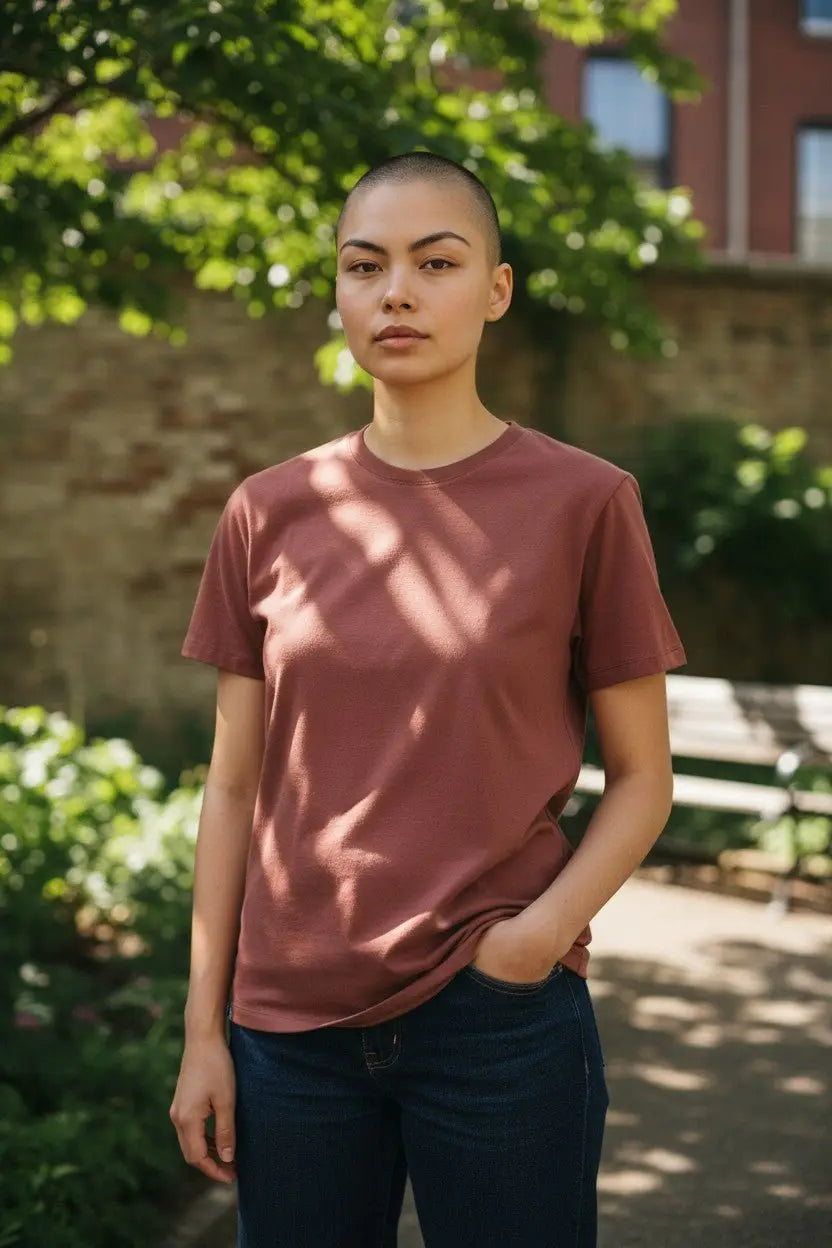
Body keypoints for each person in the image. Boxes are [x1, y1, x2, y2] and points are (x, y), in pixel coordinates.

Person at [169, 150, 687, 1247]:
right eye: (365, 266)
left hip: (493, 1018)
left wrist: (536, 940)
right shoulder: (268, 511)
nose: (395, 291)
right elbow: (231, 786)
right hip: (287, 1031)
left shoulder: (585, 502)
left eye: (434, 262)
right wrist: (201, 1031)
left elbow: (644, 778)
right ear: (339, 295)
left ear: (495, 290)